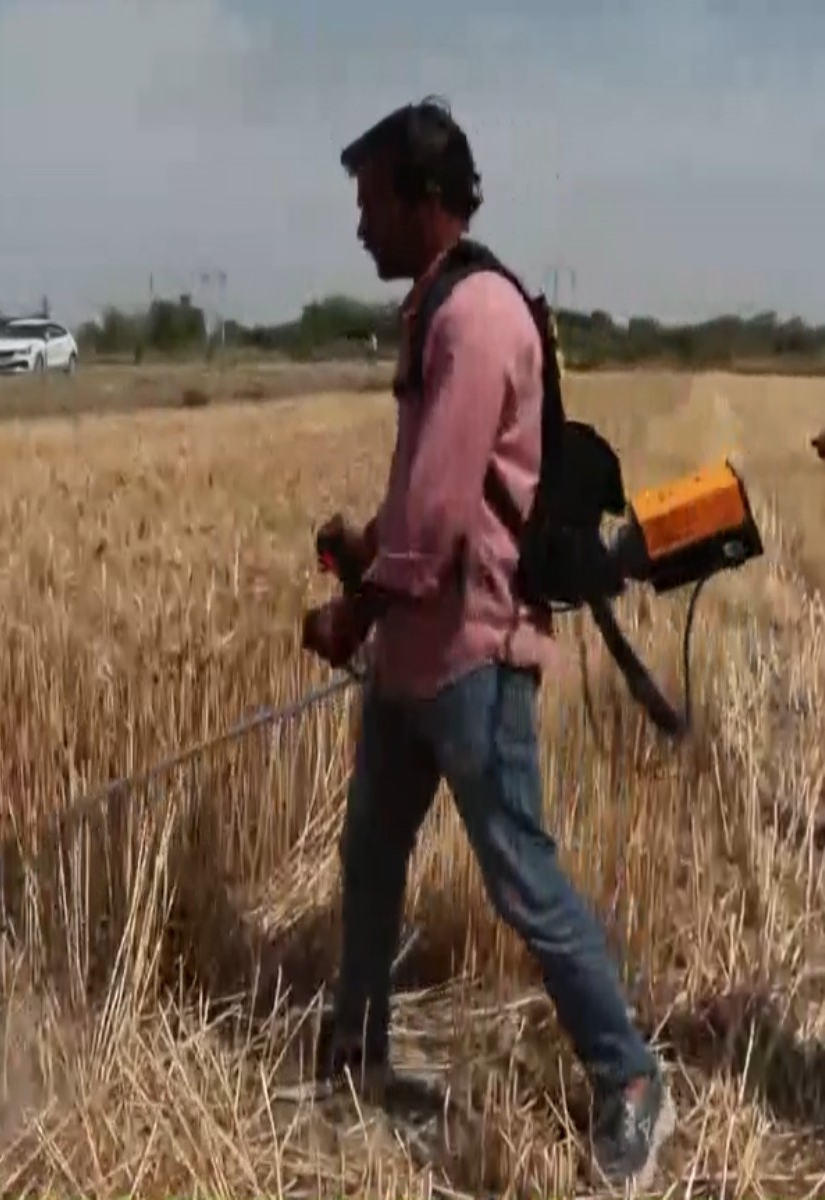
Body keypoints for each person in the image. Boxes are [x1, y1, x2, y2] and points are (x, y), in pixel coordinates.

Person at [299, 99, 673, 1190]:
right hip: (416, 658)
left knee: (523, 881)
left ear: (423, 203)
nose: (359, 227)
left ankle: (631, 1079)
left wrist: (347, 609)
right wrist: (367, 571)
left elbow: (434, 531)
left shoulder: (476, 321)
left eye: (370, 205)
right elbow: (418, 512)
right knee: (369, 854)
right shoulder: (437, 310)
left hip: (472, 652)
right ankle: (354, 1053)